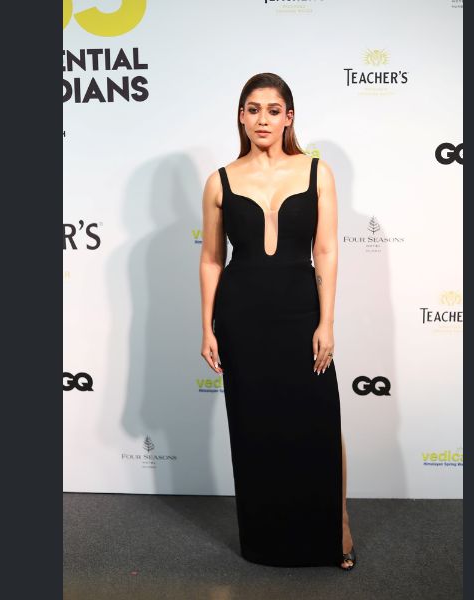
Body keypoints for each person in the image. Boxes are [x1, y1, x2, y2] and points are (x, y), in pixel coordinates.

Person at [199, 73, 355, 570]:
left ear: (289, 117)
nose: (262, 119)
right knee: (255, 428)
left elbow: (325, 250)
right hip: (242, 318)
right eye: (253, 109)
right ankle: (266, 539)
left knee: (320, 422)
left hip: (300, 312)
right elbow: (211, 259)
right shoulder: (220, 180)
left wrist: (326, 321)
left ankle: (337, 525)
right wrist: (206, 326)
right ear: (241, 117)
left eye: (272, 110)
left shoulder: (317, 172)